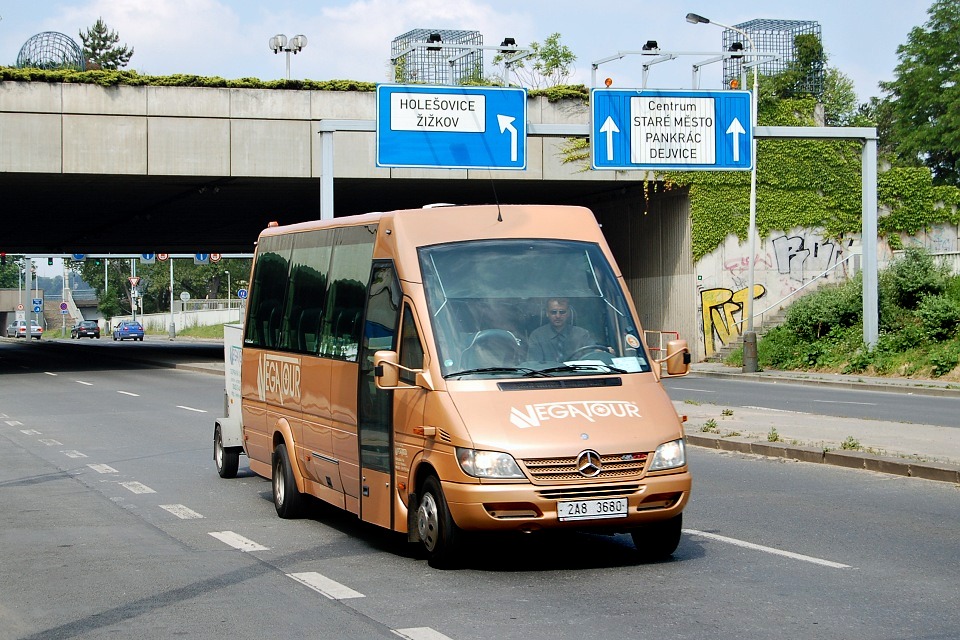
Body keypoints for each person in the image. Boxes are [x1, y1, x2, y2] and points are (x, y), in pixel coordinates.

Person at [526, 298, 595, 362]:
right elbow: (534, 365)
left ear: (568, 313)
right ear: (547, 313)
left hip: (578, 375)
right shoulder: (537, 336)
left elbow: (593, 360)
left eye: (562, 312)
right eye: (553, 312)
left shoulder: (582, 335)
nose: (558, 316)